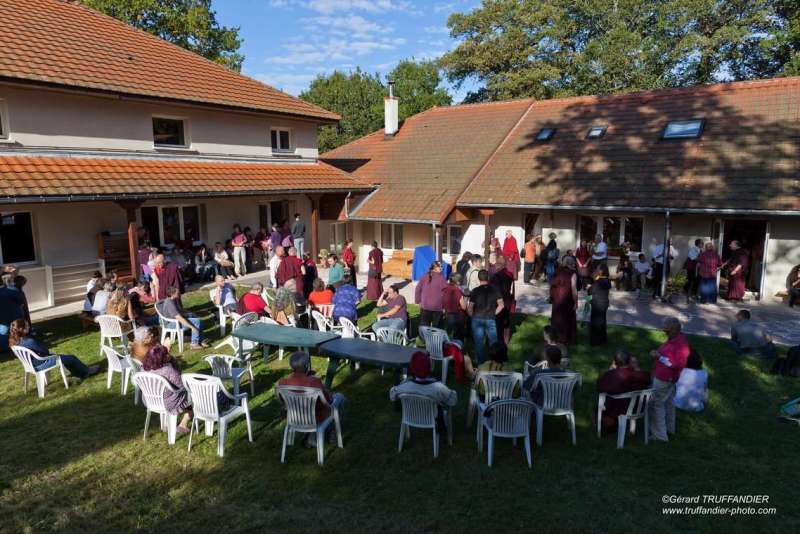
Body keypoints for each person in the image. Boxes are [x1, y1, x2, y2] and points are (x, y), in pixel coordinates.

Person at [278, 352, 344, 440]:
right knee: (339, 398)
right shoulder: (313, 382)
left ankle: (312, 436)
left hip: (294, 419)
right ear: (306, 366)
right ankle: (332, 433)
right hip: (315, 418)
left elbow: (284, 403)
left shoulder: (283, 383)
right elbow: (328, 401)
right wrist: (327, 391)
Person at [9, 319, 99, 379]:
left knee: (66, 358)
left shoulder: (14, 341)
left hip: (31, 364)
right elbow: (45, 351)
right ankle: (87, 371)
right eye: (27, 326)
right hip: (42, 362)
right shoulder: (29, 341)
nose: (29, 327)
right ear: (21, 329)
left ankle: (79, 373)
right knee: (71, 358)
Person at [648, 317, 690, 442]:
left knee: (657, 404)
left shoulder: (680, 345)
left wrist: (659, 356)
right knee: (668, 403)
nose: (663, 329)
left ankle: (659, 435)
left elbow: (675, 364)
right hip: (668, 378)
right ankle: (669, 429)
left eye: (665, 327)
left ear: (671, 329)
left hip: (665, 378)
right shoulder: (676, 339)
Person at [389, 351, 457, 419]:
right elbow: (453, 400)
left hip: (410, 417)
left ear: (412, 368)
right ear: (429, 367)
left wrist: (404, 382)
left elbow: (392, 395)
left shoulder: (405, 386)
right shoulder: (439, 388)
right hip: (432, 418)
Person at [142, 344, 193, 433]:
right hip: (168, 402)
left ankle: (166, 423)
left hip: (150, 400)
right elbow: (182, 386)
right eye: (166, 354)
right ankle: (183, 424)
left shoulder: (143, 369)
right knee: (193, 395)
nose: (168, 355)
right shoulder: (168, 371)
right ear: (161, 358)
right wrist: (173, 361)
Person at [596, 350, 651, 432]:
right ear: (629, 361)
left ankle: (609, 424)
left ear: (615, 362)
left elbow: (600, 387)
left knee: (606, 401)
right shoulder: (636, 375)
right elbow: (647, 381)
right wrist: (637, 368)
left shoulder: (610, 375)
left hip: (619, 408)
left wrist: (610, 370)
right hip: (637, 407)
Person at [468, 269, 504, 364]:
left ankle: (481, 365)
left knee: (479, 343)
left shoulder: (475, 291)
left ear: (479, 278)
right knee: (493, 343)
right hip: (490, 318)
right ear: (488, 277)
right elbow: (501, 305)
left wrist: (472, 316)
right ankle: (495, 362)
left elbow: (470, 307)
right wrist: (494, 313)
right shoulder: (495, 289)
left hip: (477, 318)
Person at [550, 256, 578, 345]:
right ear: (571, 263)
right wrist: (576, 302)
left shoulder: (558, 271)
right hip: (567, 299)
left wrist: (551, 296)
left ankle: (555, 338)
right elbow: (574, 289)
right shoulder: (572, 274)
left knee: (557, 318)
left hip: (557, 299)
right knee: (567, 319)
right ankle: (566, 339)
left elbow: (552, 285)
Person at [415, 261, 448, 328]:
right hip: (437, 307)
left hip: (426, 306)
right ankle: (434, 338)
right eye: (440, 266)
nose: (441, 268)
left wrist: (418, 301)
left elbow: (417, 289)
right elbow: (446, 293)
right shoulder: (441, 278)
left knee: (424, 327)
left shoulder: (424, 276)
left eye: (442, 266)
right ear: (435, 267)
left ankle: (425, 338)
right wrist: (445, 306)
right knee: (436, 328)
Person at [490, 256, 514, 345]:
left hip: (499, 302)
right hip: (507, 300)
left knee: (498, 323)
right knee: (506, 323)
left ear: (500, 265)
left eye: (497, 263)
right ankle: (506, 342)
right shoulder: (509, 274)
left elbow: (494, 290)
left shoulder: (496, 276)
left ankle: (499, 342)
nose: (495, 265)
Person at [0, 273, 26, 351]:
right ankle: (16, 345)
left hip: (2, 316)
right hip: (14, 315)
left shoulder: (3, 290)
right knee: (17, 330)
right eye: (12, 278)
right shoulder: (13, 290)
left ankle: (3, 348)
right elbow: (21, 301)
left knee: (3, 331)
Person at [588, 264, 611, 346]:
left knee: (595, 323)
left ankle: (595, 342)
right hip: (604, 303)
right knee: (602, 322)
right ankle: (602, 340)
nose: (597, 270)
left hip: (597, 303)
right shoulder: (607, 280)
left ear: (601, 271)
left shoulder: (599, 282)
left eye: (598, 269)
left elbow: (591, 291)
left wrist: (589, 288)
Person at [442, 273, 467, 340]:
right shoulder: (457, 290)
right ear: (458, 282)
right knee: (458, 335)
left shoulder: (446, 288)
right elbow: (463, 306)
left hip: (448, 314)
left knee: (449, 333)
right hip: (457, 316)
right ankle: (457, 348)